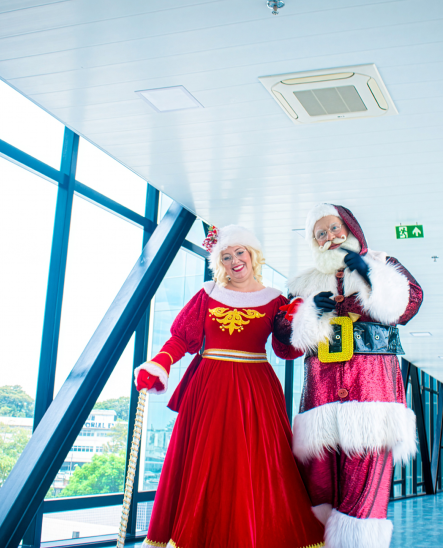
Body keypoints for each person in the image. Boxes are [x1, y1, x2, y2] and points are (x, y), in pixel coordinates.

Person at [135, 225, 325, 548]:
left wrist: (302, 320)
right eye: (226, 256)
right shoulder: (207, 294)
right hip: (210, 388)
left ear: (253, 255)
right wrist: (160, 363)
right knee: (205, 462)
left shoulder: (275, 299)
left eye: (239, 252)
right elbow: (181, 338)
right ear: (219, 263)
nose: (235, 261)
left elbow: (286, 348)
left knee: (258, 465)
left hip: (256, 392)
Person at [274, 204, 423, 548]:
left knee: (365, 487)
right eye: (320, 233)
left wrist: (372, 276)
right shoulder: (303, 284)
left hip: (373, 396)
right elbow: (283, 341)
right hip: (320, 400)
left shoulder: (384, 264)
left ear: (350, 228)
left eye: (334, 228)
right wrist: (308, 311)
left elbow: (410, 304)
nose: (330, 237)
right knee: (318, 487)